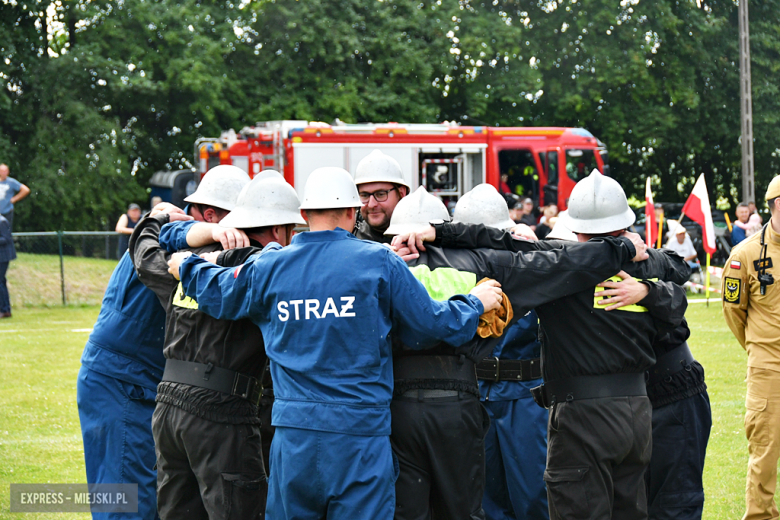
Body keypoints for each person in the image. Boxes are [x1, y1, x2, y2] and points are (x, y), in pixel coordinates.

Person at [167, 166, 503, 520]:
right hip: (359, 437)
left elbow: (220, 290)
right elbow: (433, 325)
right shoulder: (378, 262)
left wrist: (186, 266)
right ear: (352, 212)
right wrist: (475, 302)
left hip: (293, 437)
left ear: (303, 215)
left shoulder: (271, 266)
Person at [393, 170, 689, 520]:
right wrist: (647, 288)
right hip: (635, 413)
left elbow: (499, 242)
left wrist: (441, 231)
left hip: (579, 413)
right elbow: (678, 268)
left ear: (576, 228)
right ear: (625, 225)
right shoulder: (642, 267)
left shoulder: (562, 263)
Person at [130, 166, 280, 520]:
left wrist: (152, 220)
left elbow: (145, 257)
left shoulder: (185, 265)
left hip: (168, 408)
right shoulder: (263, 271)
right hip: (222, 409)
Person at [77, 204, 188, 520]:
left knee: (129, 492)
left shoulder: (154, 231)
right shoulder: (171, 231)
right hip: (125, 383)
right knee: (128, 500)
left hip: (122, 379)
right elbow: (181, 231)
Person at [722, 174, 780, 520]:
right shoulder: (744, 255)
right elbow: (734, 312)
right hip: (768, 369)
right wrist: (760, 350)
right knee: (764, 453)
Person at [353, 149, 411, 243]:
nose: (371, 204)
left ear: (401, 193)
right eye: (364, 195)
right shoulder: (351, 235)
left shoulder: (420, 231)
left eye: (380, 194)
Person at [0, 163, 30, 231]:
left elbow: (25, 190)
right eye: (2, 171)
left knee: (6, 233)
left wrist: (14, 199)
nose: (4, 173)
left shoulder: (11, 182)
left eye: (5, 171)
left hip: (7, 212)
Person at [0, 214, 15, 318]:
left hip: (3, 256)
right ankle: (6, 309)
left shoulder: (2, 222)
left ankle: (4, 309)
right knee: (1, 282)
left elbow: (6, 239)